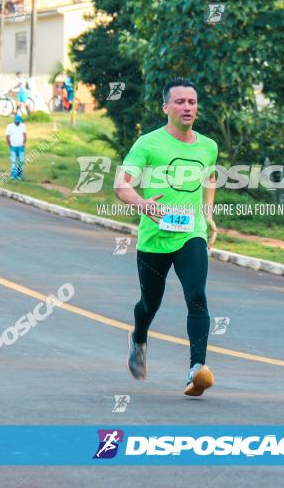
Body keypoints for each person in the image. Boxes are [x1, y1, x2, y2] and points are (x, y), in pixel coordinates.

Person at [114, 77, 219, 397]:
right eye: (180, 102)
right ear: (166, 107)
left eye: (192, 102)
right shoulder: (147, 144)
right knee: (150, 303)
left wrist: (207, 213)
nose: (187, 107)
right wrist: (143, 203)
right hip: (154, 238)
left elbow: (210, 176)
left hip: (191, 234)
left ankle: (196, 370)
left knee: (197, 296)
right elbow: (122, 185)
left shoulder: (208, 146)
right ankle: (139, 338)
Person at [5, 114, 27, 180]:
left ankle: (19, 175)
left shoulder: (23, 126)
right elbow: (7, 136)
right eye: (16, 121)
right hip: (13, 147)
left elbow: (25, 135)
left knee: (20, 161)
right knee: (14, 162)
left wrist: (24, 143)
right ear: (14, 120)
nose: (17, 123)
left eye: (18, 121)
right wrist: (9, 145)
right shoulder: (10, 126)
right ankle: (13, 175)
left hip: (20, 147)